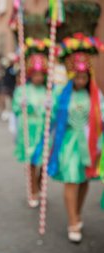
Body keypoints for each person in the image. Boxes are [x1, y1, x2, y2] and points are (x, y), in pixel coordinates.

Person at [48, 34, 103, 243]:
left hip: (90, 144)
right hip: (69, 144)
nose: (81, 80)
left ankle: (78, 213)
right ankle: (72, 221)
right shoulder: (61, 94)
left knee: (84, 180)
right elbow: (52, 117)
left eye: (84, 76)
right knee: (71, 179)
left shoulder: (95, 97)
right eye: (77, 76)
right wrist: (48, 107)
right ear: (71, 75)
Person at [12, 43, 48, 208]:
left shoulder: (48, 91)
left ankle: (39, 185)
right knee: (31, 162)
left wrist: (50, 106)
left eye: (41, 75)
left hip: (44, 131)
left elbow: (53, 114)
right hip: (28, 130)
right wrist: (22, 104)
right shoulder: (23, 90)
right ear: (31, 74)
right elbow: (15, 108)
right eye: (35, 74)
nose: (38, 78)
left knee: (43, 162)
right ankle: (32, 190)